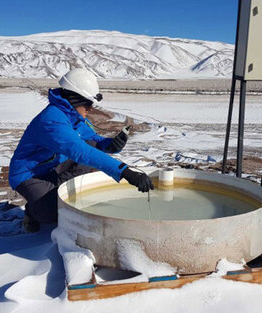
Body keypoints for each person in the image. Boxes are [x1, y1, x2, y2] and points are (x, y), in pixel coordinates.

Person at [9, 68, 154, 232]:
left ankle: (59, 194)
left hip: (55, 165)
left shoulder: (74, 116)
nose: (91, 108)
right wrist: (125, 172)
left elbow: (93, 139)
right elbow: (81, 152)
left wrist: (109, 144)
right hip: (29, 174)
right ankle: (33, 212)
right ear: (75, 98)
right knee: (52, 213)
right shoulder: (52, 121)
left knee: (90, 147)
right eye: (88, 103)